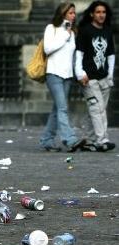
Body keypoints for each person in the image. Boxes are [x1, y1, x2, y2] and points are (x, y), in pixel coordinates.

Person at [40, 2, 86, 152]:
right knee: (63, 108)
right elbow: (48, 48)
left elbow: (73, 56)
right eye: (70, 13)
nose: (73, 16)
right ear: (63, 13)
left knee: (57, 109)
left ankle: (47, 139)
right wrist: (65, 35)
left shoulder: (72, 32)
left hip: (67, 75)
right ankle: (70, 139)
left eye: (74, 13)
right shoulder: (51, 29)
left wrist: (78, 73)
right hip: (53, 74)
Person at [75, 1, 116, 152]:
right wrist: (80, 73)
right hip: (89, 79)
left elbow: (111, 55)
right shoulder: (85, 30)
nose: (101, 15)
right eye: (98, 12)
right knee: (98, 109)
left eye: (103, 12)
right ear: (92, 14)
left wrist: (110, 75)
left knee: (95, 110)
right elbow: (79, 54)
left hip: (104, 78)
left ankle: (89, 139)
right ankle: (102, 140)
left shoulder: (107, 30)